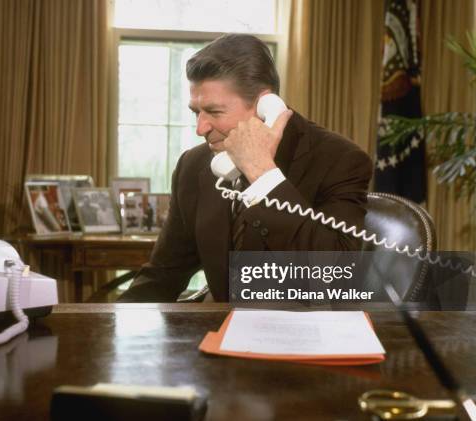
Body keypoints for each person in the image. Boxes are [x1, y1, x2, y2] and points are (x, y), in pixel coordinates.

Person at [119, 34, 372, 302]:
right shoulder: (194, 166)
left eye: (214, 112)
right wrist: (110, 334)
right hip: (220, 336)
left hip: (306, 336)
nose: (200, 129)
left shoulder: (339, 159)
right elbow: (162, 276)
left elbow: (334, 278)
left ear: (265, 106)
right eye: (196, 112)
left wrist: (262, 175)